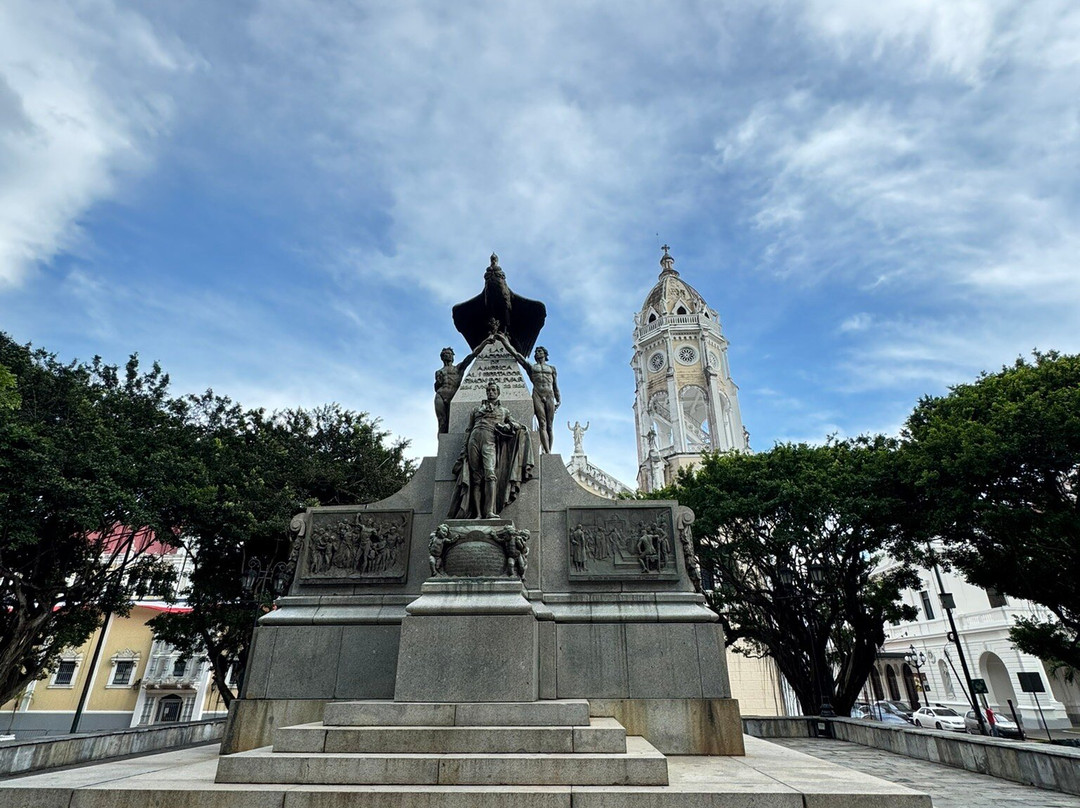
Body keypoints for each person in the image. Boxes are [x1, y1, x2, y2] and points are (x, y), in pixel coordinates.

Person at [449, 381, 534, 519]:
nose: (491, 392)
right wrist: (464, 448)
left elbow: (516, 424)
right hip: (474, 440)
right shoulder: (476, 410)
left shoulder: (504, 411)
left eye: (493, 390)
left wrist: (509, 425)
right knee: (476, 479)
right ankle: (477, 514)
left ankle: (489, 511)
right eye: (488, 390)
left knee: (490, 475)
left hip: (490, 441)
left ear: (498, 392)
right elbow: (468, 430)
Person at [498, 333, 560, 453]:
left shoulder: (552, 368)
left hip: (550, 394)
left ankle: (549, 452)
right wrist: (504, 340)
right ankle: (546, 450)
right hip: (537, 394)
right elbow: (516, 355)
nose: (537, 353)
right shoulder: (531, 367)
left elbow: (555, 386)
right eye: (536, 351)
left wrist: (559, 399)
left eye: (540, 351)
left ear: (545, 354)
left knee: (550, 426)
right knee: (542, 423)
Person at [434, 342, 485, 434]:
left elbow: (471, 357)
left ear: (453, 356)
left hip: (453, 395)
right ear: (442, 357)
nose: (448, 355)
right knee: (442, 422)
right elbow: (436, 387)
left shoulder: (458, 368)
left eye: (449, 354)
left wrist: (483, 344)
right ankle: (442, 444)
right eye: (445, 354)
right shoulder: (438, 372)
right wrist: (438, 382)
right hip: (440, 395)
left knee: (451, 422)